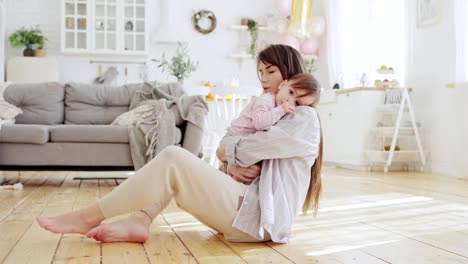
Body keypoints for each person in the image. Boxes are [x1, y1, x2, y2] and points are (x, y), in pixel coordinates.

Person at [36, 44, 323, 243]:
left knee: (174, 157)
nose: (263, 79)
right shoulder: (269, 110)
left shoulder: (303, 117)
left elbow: (239, 148)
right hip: (242, 208)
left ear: (290, 73)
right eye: (260, 72)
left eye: (270, 71)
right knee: (174, 165)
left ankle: (88, 217)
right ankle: (140, 218)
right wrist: (229, 158)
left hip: (257, 220)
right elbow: (231, 145)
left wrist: (228, 154)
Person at [227, 73, 316, 137]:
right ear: (282, 85)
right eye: (291, 92)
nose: (289, 100)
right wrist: (281, 110)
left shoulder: (282, 109)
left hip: (245, 140)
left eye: (297, 103)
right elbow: (259, 123)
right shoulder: (265, 100)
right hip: (235, 135)